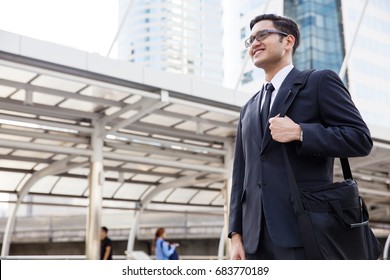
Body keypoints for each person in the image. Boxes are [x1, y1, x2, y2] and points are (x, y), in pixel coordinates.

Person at [228, 14, 372, 260]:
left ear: (288, 41)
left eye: (262, 35)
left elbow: (360, 138)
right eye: (250, 39)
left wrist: (301, 132)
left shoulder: (318, 82)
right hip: (255, 240)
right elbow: (240, 174)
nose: (254, 43)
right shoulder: (248, 108)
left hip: (304, 229)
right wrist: (236, 235)